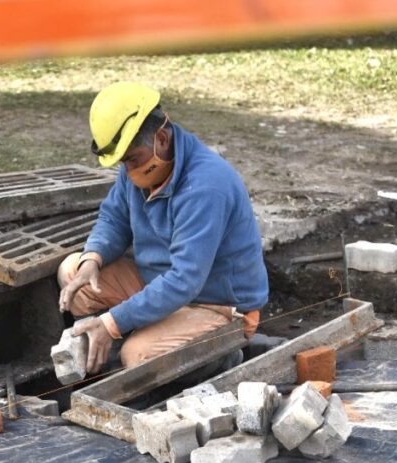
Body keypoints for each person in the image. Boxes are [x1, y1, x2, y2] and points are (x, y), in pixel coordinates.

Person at [57, 81, 268, 376]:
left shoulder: (206, 186)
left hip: (215, 304)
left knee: (139, 356)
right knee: (73, 274)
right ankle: (136, 327)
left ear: (162, 138)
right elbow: (114, 218)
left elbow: (185, 280)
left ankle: (220, 356)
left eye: (133, 159)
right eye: (123, 162)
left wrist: (113, 322)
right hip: (161, 281)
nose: (129, 171)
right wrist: (93, 258)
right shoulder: (139, 169)